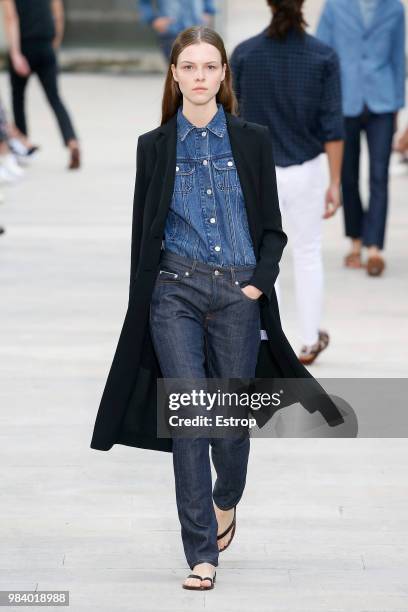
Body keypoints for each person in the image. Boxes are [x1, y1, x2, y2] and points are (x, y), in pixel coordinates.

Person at [90, 25, 344, 592]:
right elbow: (143, 235)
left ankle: (227, 499)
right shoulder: (153, 147)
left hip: (237, 296)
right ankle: (201, 553)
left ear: (223, 74)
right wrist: (147, 295)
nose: (200, 77)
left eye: (210, 67)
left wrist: (257, 285)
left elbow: (273, 231)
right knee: (190, 420)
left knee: (229, 430)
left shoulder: (252, 141)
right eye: (190, 67)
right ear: (174, 75)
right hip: (174, 291)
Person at [230, 0, 344, 365]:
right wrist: (336, 182)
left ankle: (269, 338)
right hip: (306, 169)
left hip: (257, 170)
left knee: (265, 258)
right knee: (308, 253)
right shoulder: (323, 56)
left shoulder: (245, 54)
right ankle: (309, 340)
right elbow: (333, 127)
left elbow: (232, 118)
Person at [316, 0, 406, 276]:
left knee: (379, 175)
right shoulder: (335, 6)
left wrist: (399, 106)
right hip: (345, 101)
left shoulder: (394, 8)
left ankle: (374, 247)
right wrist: (324, 104)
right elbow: (322, 53)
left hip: (383, 101)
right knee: (348, 175)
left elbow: (398, 57)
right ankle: (355, 242)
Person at [1, 0, 81, 170]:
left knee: (18, 97)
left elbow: (11, 18)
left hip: (23, 45)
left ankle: (24, 143)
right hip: (46, 44)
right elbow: (58, 16)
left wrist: (15, 53)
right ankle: (72, 141)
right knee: (55, 98)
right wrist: (54, 45)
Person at [138, 0, 216, 60]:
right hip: (170, 31)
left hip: (198, 30)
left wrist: (208, 11)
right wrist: (152, 19)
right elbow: (144, 2)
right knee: (178, 71)